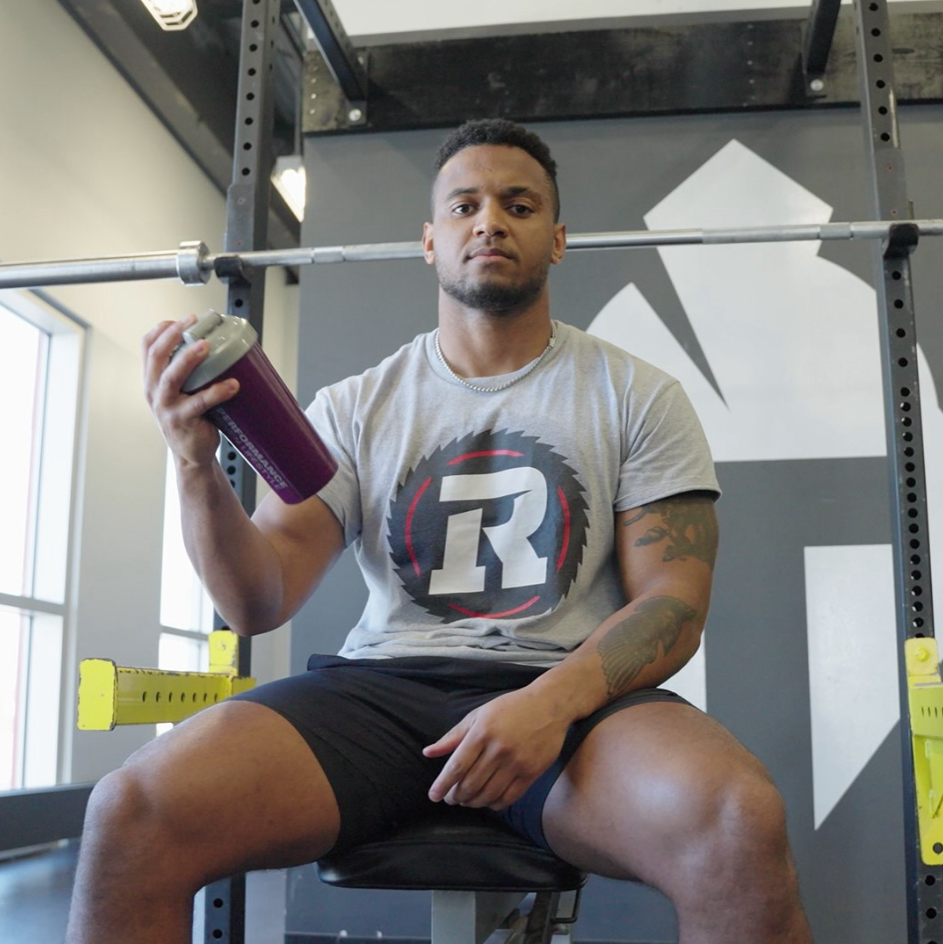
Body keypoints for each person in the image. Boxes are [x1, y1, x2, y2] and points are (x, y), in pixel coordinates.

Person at [66, 118, 812, 943]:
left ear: (557, 238)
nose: (488, 222)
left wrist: (545, 706)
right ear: (429, 240)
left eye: (518, 206)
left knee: (737, 820)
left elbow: (673, 604)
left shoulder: (637, 395)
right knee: (130, 811)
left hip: (571, 696)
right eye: (464, 206)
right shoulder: (354, 408)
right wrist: (194, 466)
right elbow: (256, 600)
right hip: (380, 693)